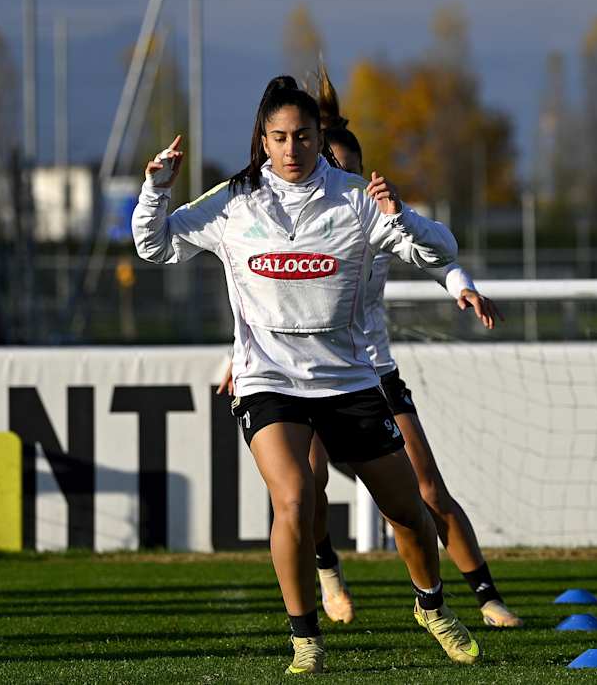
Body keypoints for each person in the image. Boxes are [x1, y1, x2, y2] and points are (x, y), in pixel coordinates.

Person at [134, 76, 480, 675]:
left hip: (349, 383)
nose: (290, 148)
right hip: (268, 382)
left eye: (302, 136)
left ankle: (432, 605)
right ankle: (305, 639)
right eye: (278, 137)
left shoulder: (356, 199)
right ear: (262, 140)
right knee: (293, 498)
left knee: (410, 513)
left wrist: (408, 220)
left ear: (322, 136)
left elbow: (440, 251)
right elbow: (155, 247)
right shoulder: (231, 203)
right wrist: (156, 189)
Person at [221, 65, 521, 629]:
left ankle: (484, 597)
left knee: (424, 490)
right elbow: (266, 300)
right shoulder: (283, 213)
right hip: (292, 377)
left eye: (346, 169)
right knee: (303, 489)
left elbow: (438, 257)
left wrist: (464, 288)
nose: (334, 176)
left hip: (369, 372)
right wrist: (233, 361)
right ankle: (327, 570)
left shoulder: (368, 211)